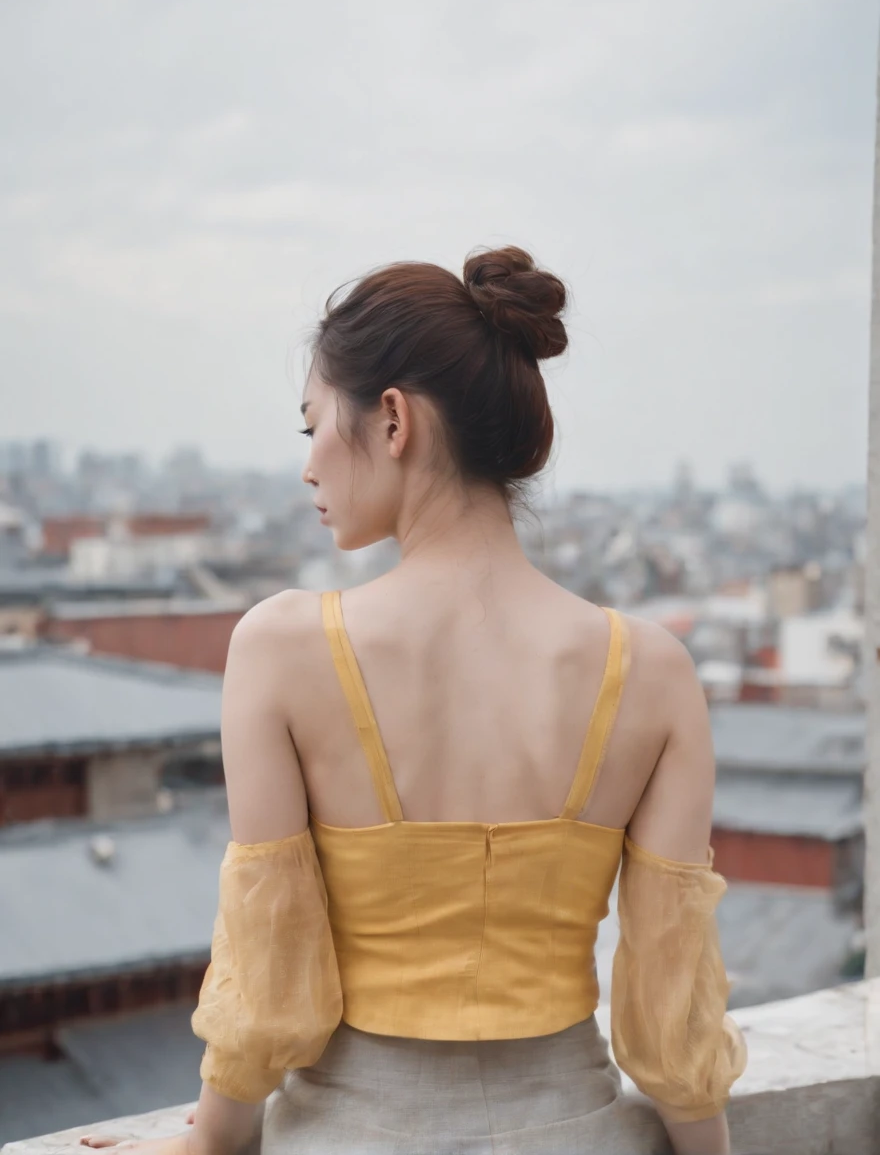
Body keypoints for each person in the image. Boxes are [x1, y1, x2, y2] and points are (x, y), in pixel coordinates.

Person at [81, 246, 745, 1155]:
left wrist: (208, 1140)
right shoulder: (654, 669)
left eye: (312, 425)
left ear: (393, 420)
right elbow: (672, 994)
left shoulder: (279, 649)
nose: (309, 466)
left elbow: (269, 966)